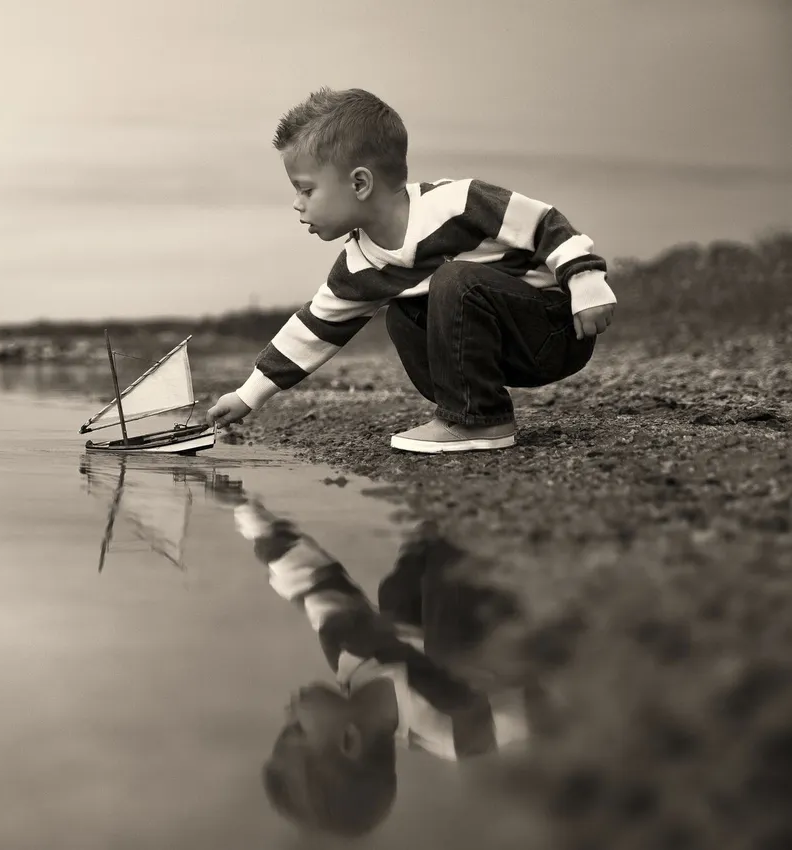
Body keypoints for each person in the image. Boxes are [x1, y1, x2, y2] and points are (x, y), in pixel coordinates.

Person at [206, 88, 617, 453]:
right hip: (500, 351)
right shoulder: (360, 264)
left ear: (360, 183)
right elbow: (314, 329)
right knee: (403, 314)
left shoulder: (457, 203)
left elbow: (545, 224)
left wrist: (585, 282)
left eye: (306, 189)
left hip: (555, 330)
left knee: (454, 279)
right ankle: (467, 410)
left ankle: (481, 420)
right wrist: (247, 395)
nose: (297, 204)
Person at [207, 474, 556, 837]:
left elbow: (313, 582)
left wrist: (247, 513)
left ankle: (443, 519)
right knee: (449, 647)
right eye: (296, 728)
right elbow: (553, 707)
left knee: (397, 598)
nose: (288, 712)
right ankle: (494, 528)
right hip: (522, 594)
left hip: (445, 550)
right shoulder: (451, 727)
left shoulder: (352, 656)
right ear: (349, 740)